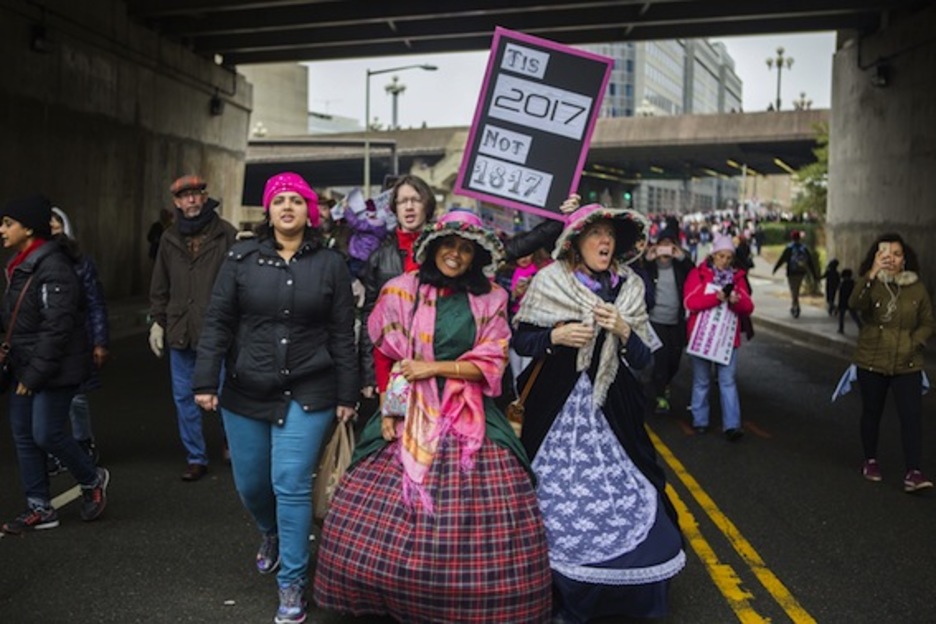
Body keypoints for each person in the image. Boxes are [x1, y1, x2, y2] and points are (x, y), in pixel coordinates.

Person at [314, 210, 552, 624]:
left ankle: (471, 602)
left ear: (477, 256)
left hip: (468, 406)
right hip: (409, 403)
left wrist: (434, 368)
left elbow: (490, 363)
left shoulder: (492, 297)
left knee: (504, 473)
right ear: (432, 248)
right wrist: (389, 411)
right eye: (449, 245)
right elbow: (389, 357)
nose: (456, 255)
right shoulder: (401, 291)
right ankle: (387, 595)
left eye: (465, 248)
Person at [194, 172, 357, 624]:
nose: (288, 207)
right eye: (279, 200)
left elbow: (343, 334)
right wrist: (205, 381)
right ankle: (270, 533)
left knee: (290, 482)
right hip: (247, 388)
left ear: (310, 210)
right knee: (251, 484)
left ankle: (292, 582)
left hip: (309, 389)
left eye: (297, 200)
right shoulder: (241, 258)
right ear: (268, 211)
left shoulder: (331, 264)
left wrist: (347, 392)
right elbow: (218, 323)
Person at [511, 204, 685, 623]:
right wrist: (555, 335)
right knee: (552, 498)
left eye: (610, 236)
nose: (605, 242)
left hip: (613, 406)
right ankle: (552, 596)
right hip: (554, 405)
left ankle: (628, 598)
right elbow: (522, 340)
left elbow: (645, 360)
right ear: (574, 245)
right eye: (595, 235)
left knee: (633, 487)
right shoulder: (550, 281)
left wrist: (624, 331)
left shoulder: (631, 286)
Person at [357, 173, 576, 397]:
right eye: (403, 201)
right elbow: (376, 325)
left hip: (467, 390)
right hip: (407, 386)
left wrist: (559, 219)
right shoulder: (384, 264)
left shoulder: (486, 293)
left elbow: (515, 247)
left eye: (416, 200)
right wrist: (375, 380)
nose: (455, 254)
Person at [0, 195, 109, 534]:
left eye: (7, 223)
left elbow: (57, 326)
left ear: (29, 227)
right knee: (24, 436)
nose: (1, 229)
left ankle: (92, 478)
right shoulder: (20, 263)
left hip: (53, 368)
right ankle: (40, 508)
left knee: (46, 433)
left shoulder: (53, 265)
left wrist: (33, 376)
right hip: (25, 364)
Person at [149, 174, 237, 481]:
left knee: (225, 393)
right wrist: (158, 322)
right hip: (180, 329)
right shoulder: (169, 238)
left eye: (196, 194)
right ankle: (196, 457)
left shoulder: (226, 233)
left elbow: (240, 282)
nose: (191, 200)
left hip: (218, 329)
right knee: (184, 397)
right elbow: (160, 284)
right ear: (176, 202)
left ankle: (232, 444)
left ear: (204, 196)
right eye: (184, 196)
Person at [848, 234, 934, 492]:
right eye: (885, 253)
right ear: (876, 256)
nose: (892, 258)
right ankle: (870, 460)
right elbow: (854, 304)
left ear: (904, 259)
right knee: (872, 413)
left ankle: (914, 472)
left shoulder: (917, 288)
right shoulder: (871, 283)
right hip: (872, 360)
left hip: (908, 363)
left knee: (912, 416)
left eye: (897, 254)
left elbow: (928, 322)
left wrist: (914, 342)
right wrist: (872, 273)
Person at [48, 207, 109, 468]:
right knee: (47, 396)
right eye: (47, 223)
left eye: (57, 222)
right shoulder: (33, 261)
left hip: (77, 338)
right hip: (46, 341)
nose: (52, 227)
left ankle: (83, 441)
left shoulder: (81, 262)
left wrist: (100, 341)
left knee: (76, 396)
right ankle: (56, 446)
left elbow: (96, 303)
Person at [684, 233, 755, 441]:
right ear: (713, 255)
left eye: (728, 257)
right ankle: (700, 420)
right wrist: (716, 298)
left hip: (726, 340)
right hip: (702, 338)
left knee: (727, 381)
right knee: (701, 380)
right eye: (720, 256)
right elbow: (690, 302)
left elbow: (748, 307)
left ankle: (732, 425)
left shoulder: (738, 278)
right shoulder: (698, 274)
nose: (724, 261)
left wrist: (735, 300)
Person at [642, 219, 694, 415]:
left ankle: (663, 385)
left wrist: (682, 257)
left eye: (669, 247)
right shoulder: (650, 267)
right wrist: (647, 258)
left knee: (674, 362)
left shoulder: (680, 267)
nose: (665, 251)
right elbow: (637, 275)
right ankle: (659, 396)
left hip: (677, 321)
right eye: (662, 246)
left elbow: (695, 274)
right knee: (661, 361)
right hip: (656, 321)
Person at [772, 230, 819, 318]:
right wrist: (814, 274)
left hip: (791, 272)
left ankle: (795, 307)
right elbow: (810, 262)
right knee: (796, 289)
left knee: (794, 290)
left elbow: (782, 259)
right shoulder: (804, 248)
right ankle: (794, 306)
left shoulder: (789, 248)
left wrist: (775, 269)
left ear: (792, 238)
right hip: (801, 272)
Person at [836, 268, 862, 334]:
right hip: (851, 301)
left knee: (841, 316)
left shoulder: (843, 283)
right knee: (854, 315)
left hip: (843, 302)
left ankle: (841, 329)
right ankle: (861, 326)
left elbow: (841, 294)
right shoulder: (853, 283)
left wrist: (838, 305)